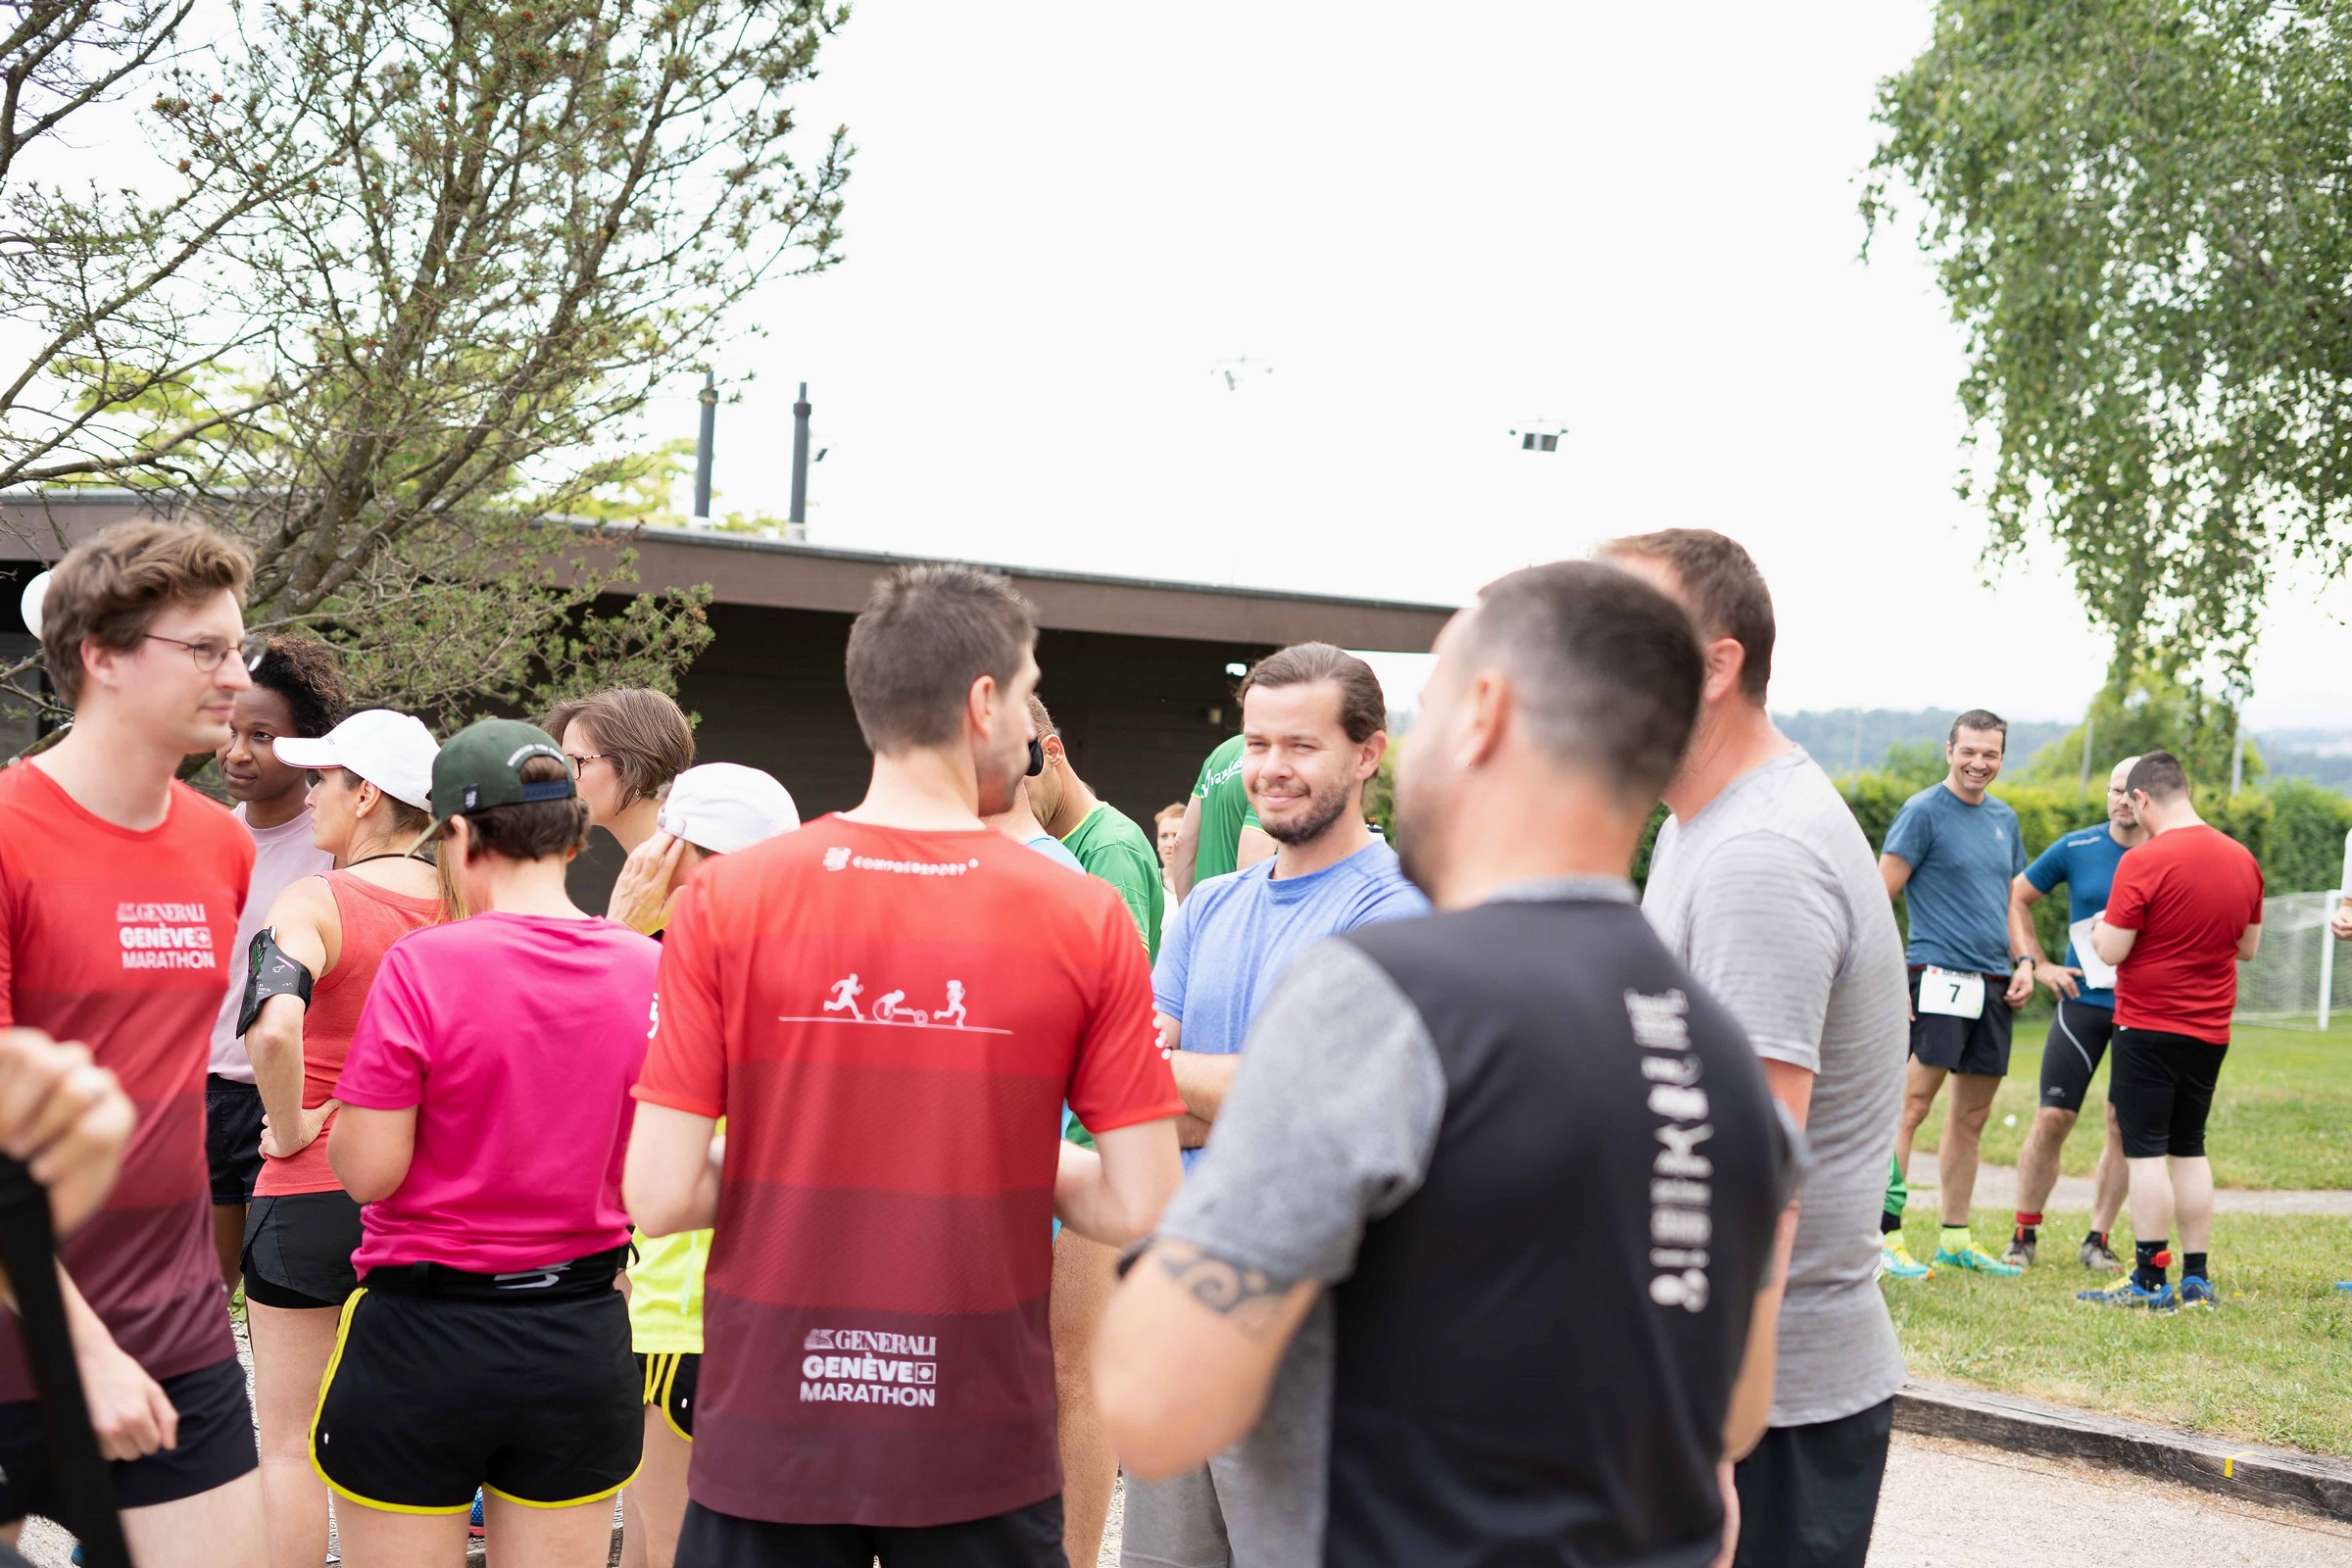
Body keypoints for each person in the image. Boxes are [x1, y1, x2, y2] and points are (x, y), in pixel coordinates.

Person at [1094, 560, 1798, 1568]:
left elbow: (1155, 1401)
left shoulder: (1384, 994)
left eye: (1427, 707)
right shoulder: (1722, 1055)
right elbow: (1736, 1409)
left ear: (1485, 716)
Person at [623, 564, 1183, 1566]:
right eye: (1027, 694)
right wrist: (982, 1158)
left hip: (770, 1427)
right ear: (984, 703)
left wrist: (817, 1156)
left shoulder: (725, 902)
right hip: (980, 1437)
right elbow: (1139, 1196)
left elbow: (659, 1193)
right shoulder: (1082, 912)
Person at [1603, 530, 1905, 1568]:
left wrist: (1712, 1434)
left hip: (1762, 1404)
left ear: (1716, 665)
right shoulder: (1702, 823)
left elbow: (1750, 1168)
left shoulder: (1758, 857)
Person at [314, 720, 661, 1566]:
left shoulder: (424, 964)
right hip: (579, 1329)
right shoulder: (647, 969)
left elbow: (369, 1172)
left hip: (424, 1337)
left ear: (461, 835)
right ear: (573, 836)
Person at [1121, 642, 1429, 1568]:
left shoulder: (1398, 912)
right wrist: (1255, 1088)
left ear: (1368, 754)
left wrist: (1196, 1086)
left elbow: (1330, 1111)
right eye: (1257, 745)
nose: (1271, 769)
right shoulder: (1210, 906)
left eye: (1301, 745)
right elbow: (1129, 1097)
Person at [0, 519, 267, 1564]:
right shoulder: (8, 835)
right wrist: (82, 1351)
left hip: (175, 1333)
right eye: (203, 649)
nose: (235, 677)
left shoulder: (221, 845)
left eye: (238, 648)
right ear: (100, 657)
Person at [234, 710, 442, 1568]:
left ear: (366, 796)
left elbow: (274, 1027)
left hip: (311, 1197)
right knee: (406, 1436)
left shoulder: (316, 899)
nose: (307, 794)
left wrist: (289, 1129)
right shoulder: (472, 904)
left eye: (321, 779)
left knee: (289, 1444)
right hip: (429, 1207)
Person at [612, 764, 801, 1568]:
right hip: (779, 1308)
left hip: (683, 1309)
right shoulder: (807, 970)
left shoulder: (681, 973)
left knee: (670, 1543)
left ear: (679, 853)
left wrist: (621, 930)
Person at [2080, 751, 2263, 1311]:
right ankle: (2196, 1277)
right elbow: (2247, 948)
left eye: (2129, 800)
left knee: (2145, 1152)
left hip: (2147, 1025)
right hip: (2210, 1028)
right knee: (2189, 1146)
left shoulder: (2143, 860)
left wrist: (2101, 928)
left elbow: (2112, 949)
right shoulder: (2242, 858)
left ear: (2141, 798)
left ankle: (2150, 1278)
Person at [206, 635, 343, 1293]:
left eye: (260, 735)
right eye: (228, 730)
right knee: (201, 1300)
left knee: (279, 1299)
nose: (237, 752)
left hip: (287, 1101)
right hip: (197, 1094)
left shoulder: (336, 848)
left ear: (304, 744)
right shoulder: (201, 838)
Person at [1879, 710, 2028, 1277]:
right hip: (1937, 977)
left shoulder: (2005, 819)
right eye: (1969, 751)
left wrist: (2024, 961)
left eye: (1990, 754)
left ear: (2001, 758)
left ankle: (1956, 1239)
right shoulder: (1922, 812)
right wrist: (1891, 976)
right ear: (1949, 750)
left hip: (1994, 984)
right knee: (1911, 1107)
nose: (1979, 763)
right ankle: (1883, 1236)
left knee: (1973, 1117)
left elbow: (2010, 900)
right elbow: (1878, 895)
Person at [2002, 756, 2145, 1271]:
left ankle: (2097, 1239)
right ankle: (2023, 1234)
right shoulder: (2077, 847)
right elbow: (2016, 897)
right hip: (2081, 1003)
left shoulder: (2167, 853)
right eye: (2114, 790)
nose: (2121, 800)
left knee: (2122, 1124)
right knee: (2053, 1116)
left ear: (2149, 797)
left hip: (2141, 1008)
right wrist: (2036, 963)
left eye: (2131, 791)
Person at [1025, 696, 1162, 957]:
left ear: (1052, 751)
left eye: (1016, 782)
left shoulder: (1111, 847)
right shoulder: (1046, 838)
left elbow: (1123, 970)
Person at [543, 688, 697, 916]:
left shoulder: (690, 877)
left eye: (580, 761)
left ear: (635, 766)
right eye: (564, 763)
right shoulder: (655, 867)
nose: (566, 777)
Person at [1169, 733, 1276, 902]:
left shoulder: (1218, 755)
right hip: (1240, 911)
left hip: (1204, 910)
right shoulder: (1268, 761)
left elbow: (1183, 841)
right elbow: (1252, 866)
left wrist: (1188, 912)